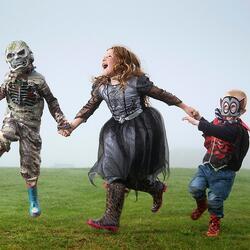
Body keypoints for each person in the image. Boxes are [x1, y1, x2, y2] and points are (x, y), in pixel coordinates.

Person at [60, 46, 197, 232]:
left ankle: (154, 188)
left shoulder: (136, 82)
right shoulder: (101, 87)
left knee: (129, 176)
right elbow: (88, 108)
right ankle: (112, 218)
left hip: (140, 130)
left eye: (109, 56)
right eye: (103, 56)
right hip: (115, 132)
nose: (104, 58)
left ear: (121, 61)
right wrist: (71, 127)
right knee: (115, 173)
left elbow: (161, 94)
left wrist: (185, 107)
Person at [0, 41, 69, 217]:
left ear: (28, 54)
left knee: (30, 165)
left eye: (19, 54)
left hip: (31, 125)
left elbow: (52, 101)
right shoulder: (9, 78)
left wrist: (61, 121)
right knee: (5, 135)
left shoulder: (39, 79)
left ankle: (33, 200)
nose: (15, 59)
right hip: (13, 119)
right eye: (11, 55)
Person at [183, 89, 249, 237]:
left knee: (215, 200)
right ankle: (201, 205)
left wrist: (198, 123)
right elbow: (212, 130)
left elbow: (221, 132)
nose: (227, 109)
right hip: (207, 167)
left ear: (241, 110)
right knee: (194, 187)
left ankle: (214, 222)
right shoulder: (217, 122)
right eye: (226, 104)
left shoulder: (238, 130)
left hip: (224, 172)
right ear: (221, 104)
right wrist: (200, 118)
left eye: (232, 106)